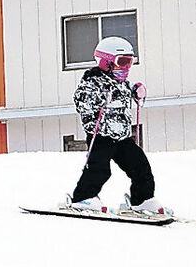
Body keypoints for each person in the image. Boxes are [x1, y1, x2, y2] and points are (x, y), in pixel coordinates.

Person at [68, 36, 170, 215]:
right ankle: (83, 197)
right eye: (121, 62)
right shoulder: (92, 82)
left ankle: (142, 199)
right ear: (105, 62)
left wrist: (136, 94)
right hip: (100, 135)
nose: (126, 68)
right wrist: (99, 100)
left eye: (129, 63)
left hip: (122, 137)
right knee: (100, 169)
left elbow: (124, 96)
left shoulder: (121, 83)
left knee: (140, 166)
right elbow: (81, 101)